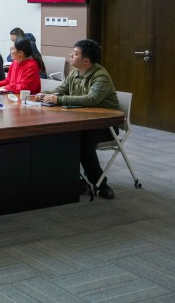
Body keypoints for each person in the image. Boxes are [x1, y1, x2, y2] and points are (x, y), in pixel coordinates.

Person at [37, 39, 119, 199]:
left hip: (104, 125)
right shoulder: (75, 73)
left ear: (86, 61)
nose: (71, 55)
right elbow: (61, 89)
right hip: (82, 121)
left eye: (75, 54)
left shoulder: (101, 76)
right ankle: (76, 181)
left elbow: (92, 99)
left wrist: (59, 100)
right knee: (60, 136)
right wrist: (46, 94)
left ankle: (100, 184)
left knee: (81, 141)